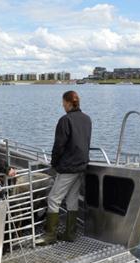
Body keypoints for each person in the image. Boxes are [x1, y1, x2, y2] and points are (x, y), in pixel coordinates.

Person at [38, 90, 92, 245]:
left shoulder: (65, 120)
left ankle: (50, 235)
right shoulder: (87, 119)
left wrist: (54, 163)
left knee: (53, 199)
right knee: (72, 199)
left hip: (68, 167)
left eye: (63, 103)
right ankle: (70, 234)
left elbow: (59, 146)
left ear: (68, 102)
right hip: (82, 166)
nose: (62, 106)